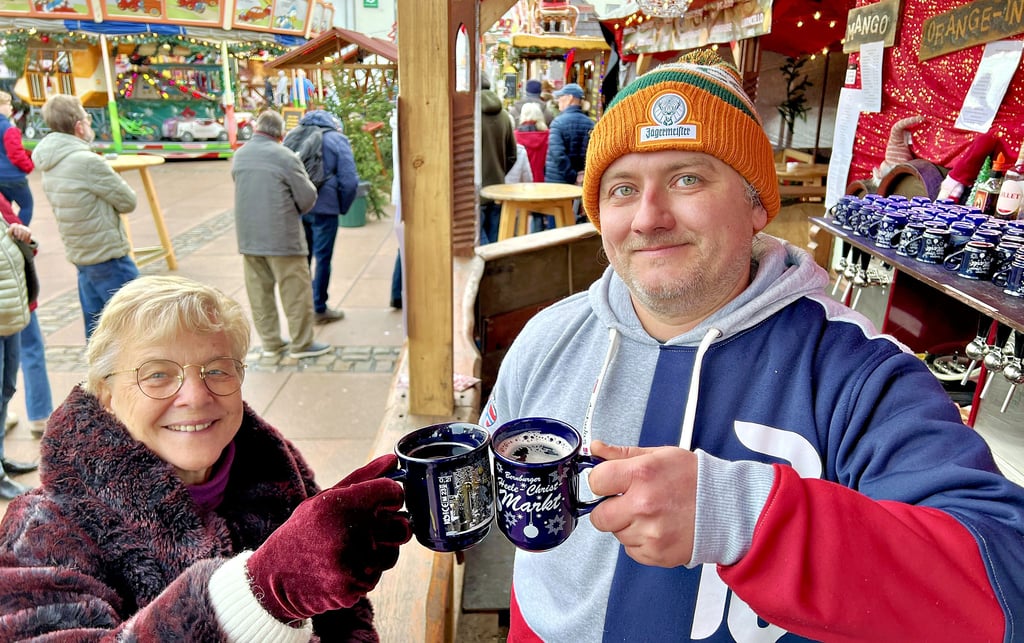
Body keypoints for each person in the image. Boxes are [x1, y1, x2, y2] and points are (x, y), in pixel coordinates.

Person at [481, 51, 1024, 642]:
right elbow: (492, 479)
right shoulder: (546, 339)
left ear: (757, 206)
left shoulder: (860, 373)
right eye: (621, 189)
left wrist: (745, 518)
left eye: (688, 178)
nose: (648, 218)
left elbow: (1003, 583)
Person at [0, 275, 411, 639]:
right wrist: (262, 592)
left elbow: (344, 619)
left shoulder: (274, 473)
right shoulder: (42, 529)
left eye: (217, 370)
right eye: (157, 373)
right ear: (106, 395)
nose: (196, 396)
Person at [32, 94, 139, 340]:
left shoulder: (50, 162)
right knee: (138, 324)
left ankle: (100, 378)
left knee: (97, 334)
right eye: (87, 118)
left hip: (82, 254)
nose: (89, 123)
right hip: (108, 255)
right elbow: (128, 201)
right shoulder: (87, 162)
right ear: (79, 126)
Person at [231, 110, 330, 359]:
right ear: (280, 133)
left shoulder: (239, 156)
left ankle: (271, 343)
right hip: (283, 237)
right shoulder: (285, 156)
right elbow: (307, 197)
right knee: (295, 293)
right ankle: (301, 344)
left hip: (249, 239)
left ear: (256, 129)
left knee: (259, 294)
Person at [0, 90, 52, 438]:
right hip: (12, 298)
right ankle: (38, 414)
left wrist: (23, 238)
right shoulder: (8, 127)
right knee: (30, 347)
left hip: (14, 291)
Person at [283, 109, 359, 324]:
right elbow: (349, 181)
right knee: (323, 259)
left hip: (300, 206)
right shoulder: (337, 139)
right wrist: (341, 206)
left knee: (302, 259)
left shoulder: (294, 136)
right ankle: (319, 307)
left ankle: (302, 308)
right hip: (326, 209)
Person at [0, 195, 37, 500]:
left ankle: (0, 458)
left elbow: (21, 237)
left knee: (6, 390)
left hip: (10, 315)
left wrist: (22, 235)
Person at [479, 74, 517, 245]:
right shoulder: (504, 116)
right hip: (498, 188)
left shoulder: (468, 116)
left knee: (477, 244)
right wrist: (499, 171)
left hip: (473, 192)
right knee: (496, 243)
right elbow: (512, 155)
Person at [544, 82, 592, 189]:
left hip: (557, 181)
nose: (558, 100)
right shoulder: (590, 124)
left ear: (570, 98)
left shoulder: (558, 123)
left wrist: (572, 176)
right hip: (581, 181)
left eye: (561, 97)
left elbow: (558, 154)